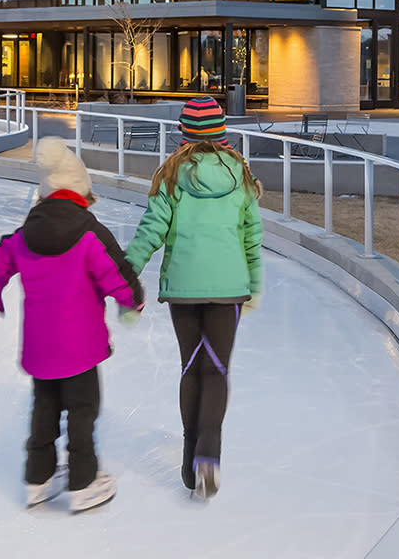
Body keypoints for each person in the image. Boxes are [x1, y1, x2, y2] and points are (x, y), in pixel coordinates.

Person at [0, 137, 143, 513]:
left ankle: (38, 479)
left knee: (44, 409)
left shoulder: (25, 235)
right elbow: (117, 273)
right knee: (83, 411)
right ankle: (83, 482)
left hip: (40, 348)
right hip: (80, 348)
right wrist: (134, 299)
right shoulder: (88, 233)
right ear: (80, 190)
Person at [124, 96, 263, 501]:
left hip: (184, 289)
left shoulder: (169, 175)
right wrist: (252, 284)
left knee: (191, 367)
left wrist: (126, 271)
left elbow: (151, 230)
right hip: (228, 288)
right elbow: (252, 238)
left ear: (184, 133)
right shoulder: (240, 174)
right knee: (216, 370)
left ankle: (189, 457)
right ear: (221, 132)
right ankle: (208, 455)